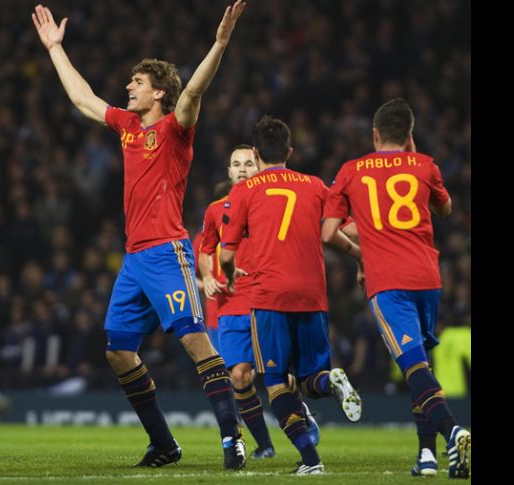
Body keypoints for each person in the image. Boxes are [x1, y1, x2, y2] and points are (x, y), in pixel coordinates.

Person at [32, 1, 249, 470]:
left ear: (157, 95)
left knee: (194, 341)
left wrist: (220, 44)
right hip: (133, 260)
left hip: (168, 252)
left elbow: (192, 92)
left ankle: (232, 439)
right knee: (117, 350)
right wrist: (54, 49)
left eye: (137, 82)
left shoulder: (175, 129)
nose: (128, 86)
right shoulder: (128, 127)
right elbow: (83, 99)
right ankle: (165, 444)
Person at [321, 98, 470, 479]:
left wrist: (360, 256)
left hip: (389, 283)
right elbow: (446, 209)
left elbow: (328, 233)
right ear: (409, 136)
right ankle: (426, 456)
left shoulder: (352, 171)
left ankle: (452, 431)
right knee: (417, 364)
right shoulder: (424, 164)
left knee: (413, 366)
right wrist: (415, 157)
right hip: (428, 279)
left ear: (374, 133)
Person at [220, 116, 362, 475]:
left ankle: (311, 462)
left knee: (276, 382)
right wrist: (363, 254)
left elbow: (225, 252)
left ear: (255, 153)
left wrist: (227, 276)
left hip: (269, 297)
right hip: (313, 294)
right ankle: (331, 381)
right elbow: (340, 227)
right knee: (311, 379)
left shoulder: (245, 191)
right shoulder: (315, 186)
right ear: (289, 151)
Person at [199, 144, 320, 459]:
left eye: (248, 163)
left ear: (259, 167)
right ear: (228, 171)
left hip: (262, 300)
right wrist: (209, 276)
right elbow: (205, 248)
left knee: (274, 375)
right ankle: (264, 444)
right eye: (235, 164)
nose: (241, 169)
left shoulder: (268, 204)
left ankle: (300, 413)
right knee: (238, 375)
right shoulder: (214, 210)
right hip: (228, 306)